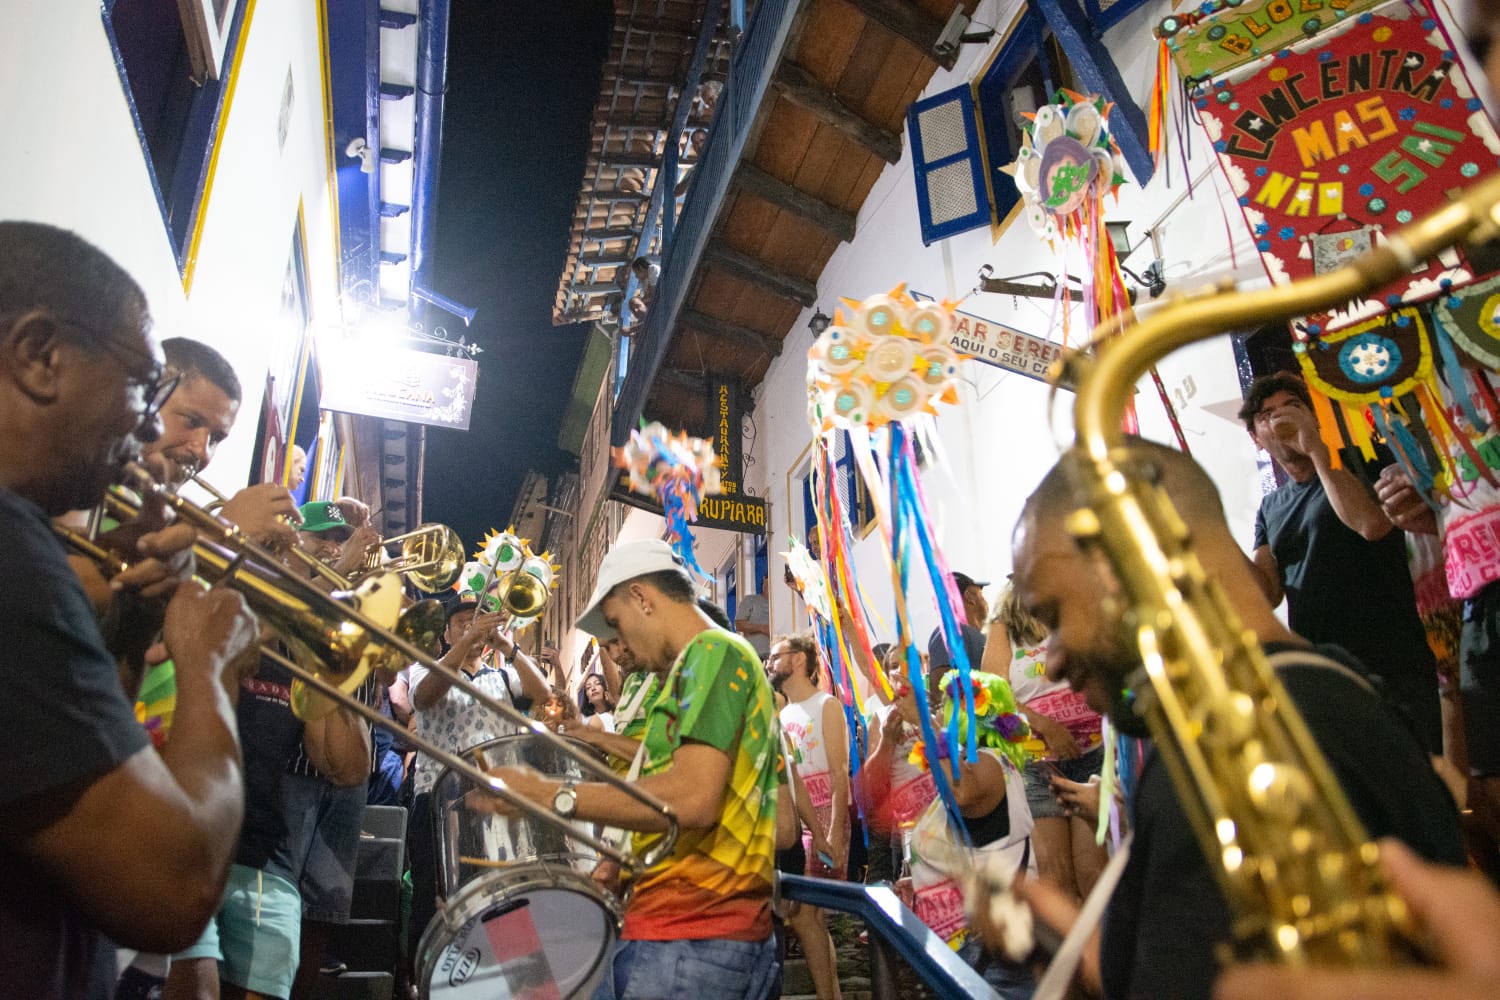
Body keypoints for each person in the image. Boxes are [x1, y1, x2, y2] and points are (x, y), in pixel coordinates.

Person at [1007, 439, 1466, 999]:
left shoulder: (1239, 752)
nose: (1050, 661)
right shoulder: (1328, 691)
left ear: (1137, 557)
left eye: (1052, 615)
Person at [0, 220, 260, 994]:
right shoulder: (14, 551)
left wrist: (136, 624)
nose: (149, 425)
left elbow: (68, 762)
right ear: (41, 356)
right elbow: (170, 889)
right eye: (144, 386)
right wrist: (208, 668)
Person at [483, 539, 782, 999]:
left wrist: (551, 796)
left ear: (643, 598)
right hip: (678, 932)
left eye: (617, 623)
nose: (621, 644)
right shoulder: (690, 671)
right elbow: (676, 793)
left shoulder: (713, 653)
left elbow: (693, 798)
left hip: (691, 936)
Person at [1241, 372, 1441, 753]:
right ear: (1255, 437)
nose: (1281, 416)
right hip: (1326, 668)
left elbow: (1370, 524)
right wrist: (1208, 523)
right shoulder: (1271, 507)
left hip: (1392, 655)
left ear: (1315, 415)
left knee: (1416, 775)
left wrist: (1317, 449)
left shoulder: (1360, 459)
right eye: (1266, 415)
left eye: (1293, 406)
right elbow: (1265, 592)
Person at [165, 647, 371, 1000]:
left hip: (263, 859)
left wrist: (330, 670)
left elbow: (347, 768)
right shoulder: (196, 635)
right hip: (183, 850)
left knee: (279, 954)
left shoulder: (294, 664)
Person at [403, 588, 550, 969]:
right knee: (434, 898)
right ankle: (426, 981)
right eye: (461, 623)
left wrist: (507, 645)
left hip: (494, 801)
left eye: (476, 621)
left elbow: (544, 694)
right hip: (439, 799)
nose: (470, 627)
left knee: (503, 896)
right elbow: (424, 697)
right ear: (446, 634)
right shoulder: (426, 666)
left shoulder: (500, 675)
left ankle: (508, 979)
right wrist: (468, 640)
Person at [984, 582, 1107, 903]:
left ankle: (1107, 949)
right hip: (1038, 767)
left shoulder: (1071, 614)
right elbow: (994, 696)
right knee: (1057, 880)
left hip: (1092, 758)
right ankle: (1083, 952)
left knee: (1093, 874)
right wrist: (1047, 727)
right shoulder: (1004, 627)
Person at [768, 632, 849, 1000]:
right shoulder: (782, 715)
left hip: (822, 816)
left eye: (776, 656)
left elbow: (838, 774)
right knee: (807, 919)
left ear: (799, 659)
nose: (769, 664)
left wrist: (832, 832)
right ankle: (829, 992)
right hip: (797, 819)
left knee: (807, 917)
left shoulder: (825, 705)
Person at [735, 569, 772, 662]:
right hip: (753, 656)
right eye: (768, 579)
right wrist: (762, 628)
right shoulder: (750, 600)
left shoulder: (780, 604)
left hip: (773, 657)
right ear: (764, 579)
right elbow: (739, 624)